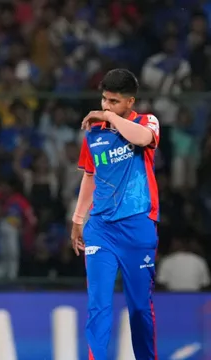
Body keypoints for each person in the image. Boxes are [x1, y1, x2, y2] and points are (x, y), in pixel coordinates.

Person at [71, 68, 160, 360]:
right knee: (98, 305)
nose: (105, 106)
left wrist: (109, 118)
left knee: (139, 308)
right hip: (101, 229)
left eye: (113, 101)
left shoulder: (147, 121)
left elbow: (143, 138)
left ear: (130, 102)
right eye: (104, 100)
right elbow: (89, 176)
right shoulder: (93, 135)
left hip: (138, 227)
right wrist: (78, 219)